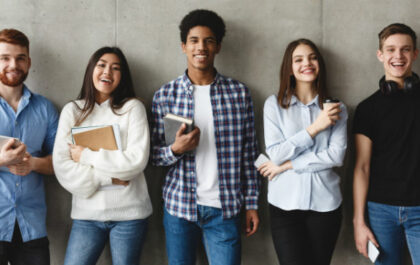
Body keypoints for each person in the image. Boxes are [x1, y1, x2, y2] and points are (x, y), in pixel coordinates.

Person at [151, 9, 259, 265]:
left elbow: (249, 154)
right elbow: (152, 156)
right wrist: (175, 150)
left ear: (218, 46)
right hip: (178, 209)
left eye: (209, 40)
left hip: (226, 209)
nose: (201, 47)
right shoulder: (165, 95)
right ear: (183, 46)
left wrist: (252, 203)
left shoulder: (239, 94)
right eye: (194, 40)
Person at [53, 47, 152, 265]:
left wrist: (86, 156)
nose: (108, 72)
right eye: (102, 65)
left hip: (130, 217)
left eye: (116, 68)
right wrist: (108, 178)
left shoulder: (133, 108)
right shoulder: (72, 111)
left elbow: (136, 161)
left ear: (122, 76)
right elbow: (62, 168)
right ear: (91, 70)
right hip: (87, 216)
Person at [258, 38, 347, 265]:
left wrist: (288, 165)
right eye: (298, 59)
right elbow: (276, 153)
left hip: (326, 205)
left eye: (312, 57)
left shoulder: (337, 108)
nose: (307, 63)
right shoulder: (274, 105)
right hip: (284, 206)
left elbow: (336, 156)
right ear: (289, 67)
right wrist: (316, 127)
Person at [353, 23, 420, 265]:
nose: (398, 56)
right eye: (390, 50)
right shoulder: (367, 109)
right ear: (380, 55)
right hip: (381, 210)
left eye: (405, 49)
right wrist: (358, 222)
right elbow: (362, 167)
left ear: (415, 54)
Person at [0, 29, 59, 265]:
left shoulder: (45, 109)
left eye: (20, 58)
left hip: (31, 228)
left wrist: (33, 164)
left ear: (29, 62)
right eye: (5, 58)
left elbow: (61, 162)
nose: (13, 64)